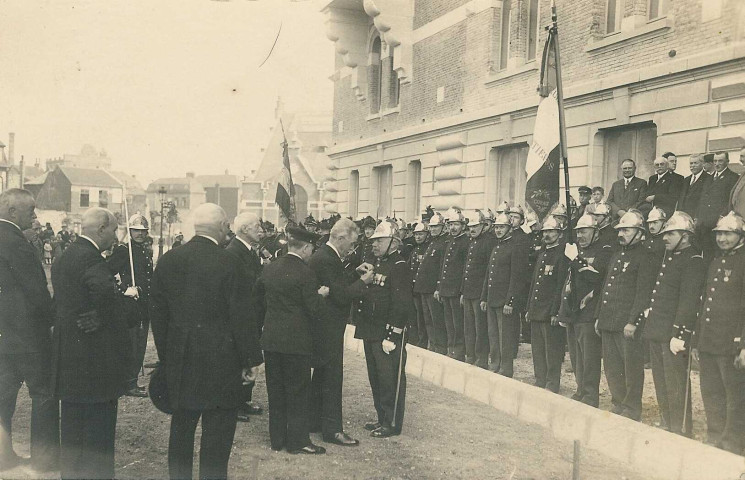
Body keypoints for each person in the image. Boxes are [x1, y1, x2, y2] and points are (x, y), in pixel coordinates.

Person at [150, 203, 264, 477]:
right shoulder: (229, 262)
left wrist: (169, 355)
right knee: (218, 431)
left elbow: (158, 315)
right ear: (224, 227)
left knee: (182, 428)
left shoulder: (168, 260)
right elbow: (241, 316)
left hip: (181, 357)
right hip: (222, 362)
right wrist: (251, 360)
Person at [52, 207, 136, 480]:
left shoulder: (66, 256)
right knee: (98, 430)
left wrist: (97, 313)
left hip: (70, 358)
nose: (115, 236)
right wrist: (126, 300)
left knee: (74, 428)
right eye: (113, 229)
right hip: (95, 361)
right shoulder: (91, 259)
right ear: (101, 229)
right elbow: (104, 294)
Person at [254, 225, 327, 455]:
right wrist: (321, 296)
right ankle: (298, 441)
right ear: (305, 248)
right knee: (298, 391)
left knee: (276, 390)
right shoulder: (306, 273)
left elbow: (258, 298)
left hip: (272, 340)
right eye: (311, 248)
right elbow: (313, 310)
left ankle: (277, 439)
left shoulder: (270, 268)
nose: (312, 252)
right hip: (297, 342)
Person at [0, 189, 58, 473]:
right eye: (30, 210)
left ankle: (2, 456)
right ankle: (44, 459)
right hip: (29, 337)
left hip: (2, 338)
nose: (34, 216)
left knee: (2, 397)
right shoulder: (17, 243)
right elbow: (36, 290)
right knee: (44, 393)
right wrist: (52, 317)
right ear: (12, 212)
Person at [634, 212, 705, 436]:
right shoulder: (671, 257)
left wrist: (680, 333)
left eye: (670, 234)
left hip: (673, 333)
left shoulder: (693, 260)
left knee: (675, 382)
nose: (665, 238)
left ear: (685, 236)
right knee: (661, 380)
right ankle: (667, 421)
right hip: (658, 329)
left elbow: (688, 301)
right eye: (664, 234)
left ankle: (681, 427)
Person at [307, 218, 373, 446]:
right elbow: (342, 295)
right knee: (332, 377)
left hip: (323, 325)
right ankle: (333, 429)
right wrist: (363, 282)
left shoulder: (327, 256)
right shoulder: (327, 259)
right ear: (341, 238)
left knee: (322, 375)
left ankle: (314, 420)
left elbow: (336, 284)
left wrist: (354, 273)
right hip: (327, 326)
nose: (353, 249)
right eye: (352, 244)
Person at [596, 210, 656, 421]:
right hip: (609, 320)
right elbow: (606, 287)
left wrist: (633, 322)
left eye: (626, 230)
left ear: (639, 233)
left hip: (626, 323)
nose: (621, 234)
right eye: (620, 230)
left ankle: (631, 408)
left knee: (631, 367)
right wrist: (599, 317)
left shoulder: (645, 256)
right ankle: (618, 402)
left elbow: (643, 293)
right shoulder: (617, 254)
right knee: (612, 367)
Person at [355, 220, 412, 438]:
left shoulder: (399, 267)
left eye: (379, 241)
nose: (374, 245)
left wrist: (393, 334)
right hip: (372, 329)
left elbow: (402, 304)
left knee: (390, 379)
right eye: (373, 241)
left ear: (394, 243)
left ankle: (392, 422)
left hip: (387, 332)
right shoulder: (377, 264)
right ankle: (382, 418)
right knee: (376, 377)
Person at [695, 211, 745, 454]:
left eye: (728, 233)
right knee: (711, 391)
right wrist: (698, 339)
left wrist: (744, 344)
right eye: (719, 234)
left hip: (730, 343)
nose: (722, 238)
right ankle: (715, 435)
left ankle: (733, 442)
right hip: (709, 340)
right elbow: (706, 302)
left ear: (740, 235)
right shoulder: (715, 261)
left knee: (734, 396)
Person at [560, 215, 613, 407]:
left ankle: (590, 395)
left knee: (589, 357)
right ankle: (580, 389)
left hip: (589, 309)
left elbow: (595, 277)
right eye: (578, 232)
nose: (580, 235)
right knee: (575, 355)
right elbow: (567, 282)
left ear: (596, 232)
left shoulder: (604, 251)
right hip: (573, 309)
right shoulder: (578, 250)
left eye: (584, 231)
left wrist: (576, 259)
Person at [107, 213, 153, 398]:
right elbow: (108, 272)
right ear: (130, 231)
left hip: (144, 304)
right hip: (131, 304)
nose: (140, 234)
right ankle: (128, 383)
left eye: (143, 231)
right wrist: (124, 289)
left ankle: (132, 380)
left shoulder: (145, 250)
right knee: (132, 344)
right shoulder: (123, 250)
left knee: (140, 344)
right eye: (136, 231)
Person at [225, 212, 265, 422]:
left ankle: (245, 398)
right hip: (242, 315)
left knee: (250, 354)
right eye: (256, 227)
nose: (261, 230)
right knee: (240, 357)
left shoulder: (248, 251)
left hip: (253, 314)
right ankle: (234, 403)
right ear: (244, 230)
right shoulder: (234, 252)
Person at [480, 212, 528, 375]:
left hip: (504, 301)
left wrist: (510, 301)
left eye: (502, 227)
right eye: (497, 227)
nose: (498, 230)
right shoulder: (496, 247)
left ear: (509, 229)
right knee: (493, 335)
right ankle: (495, 363)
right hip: (493, 298)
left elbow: (517, 278)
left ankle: (506, 368)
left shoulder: (515, 247)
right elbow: (489, 274)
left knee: (505, 337)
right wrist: (484, 297)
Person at [526, 215, 569, 393]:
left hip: (549, 311)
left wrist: (555, 312)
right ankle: (540, 378)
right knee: (538, 349)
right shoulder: (542, 254)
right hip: (537, 309)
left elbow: (560, 286)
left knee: (552, 349)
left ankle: (552, 382)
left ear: (559, 234)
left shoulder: (562, 255)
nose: (548, 235)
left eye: (552, 231)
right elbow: (535, 283)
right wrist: (529, 308)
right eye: (546, 232)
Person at [461, 210, 497, 368]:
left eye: (476, 226)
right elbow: (466, 269)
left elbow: (489, 271)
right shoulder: (472, 242)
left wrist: (484, 295)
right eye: (470, 227)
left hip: (479, 292)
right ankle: (471, 355)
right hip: (469, 291)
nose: (472, 229)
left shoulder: (488, 242)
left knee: (480, 327)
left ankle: (481, 358)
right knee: (469, 327)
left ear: (483, 226)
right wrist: (463, 291)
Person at [435, 207, 469, 361]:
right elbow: (443, 267)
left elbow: (464, 270)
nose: (453, 228)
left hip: (456, 290)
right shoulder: (449, 242)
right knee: (448, 322)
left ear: (462, 225)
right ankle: (451, 348)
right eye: (450, 225)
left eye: (456, 224)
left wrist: (462, 290)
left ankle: (459, 351)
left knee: (458, 323)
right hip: (446, 289)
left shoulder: (465, 242)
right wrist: (439, 287)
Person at [413, 212, 448, 354]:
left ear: (442, 227)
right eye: (432, 227)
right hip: (424, 287)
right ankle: (433, 344)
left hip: (433, 288)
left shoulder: (443, 244)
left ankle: (440, 346)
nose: (433, 230)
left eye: (436, 227)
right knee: (427, 319)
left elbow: (441, 267)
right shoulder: (433, 243)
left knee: (437, 319)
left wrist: (438, 287)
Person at [697, 152, 740, 259]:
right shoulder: (709, 178)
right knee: (706, 255)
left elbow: (730, 201)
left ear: (727, 162)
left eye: (720, 161)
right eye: (715, 161)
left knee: (718, 255)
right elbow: (702, 199)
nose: (717, 164)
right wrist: (698, 217)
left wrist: (722, 217)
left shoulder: (733, 177)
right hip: (704, 224)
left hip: (718, 224)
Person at [408, 222, 431, 349]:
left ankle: (423, 341)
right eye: (416, 234)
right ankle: (415, 338)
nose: (418, 237)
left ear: (427, 235)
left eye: (421, 234)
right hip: (414, 288)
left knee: (423, 317)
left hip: (422, 288)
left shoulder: (427, 248)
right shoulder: (415, 249)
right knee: (415, 316)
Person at [679, 153, 711, 217]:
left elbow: (705, 201)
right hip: (684, 217)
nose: (693, 165)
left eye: (695, 163)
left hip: (698, 217)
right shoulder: (686, 180)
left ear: (702, 164)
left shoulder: (708, 179)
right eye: (691, 163)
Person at [728, 147, 745, 217]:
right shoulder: (742, 174)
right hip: (738, 219)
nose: (740, 159)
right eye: (740, 156)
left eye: (743, 156)